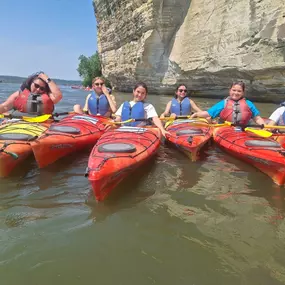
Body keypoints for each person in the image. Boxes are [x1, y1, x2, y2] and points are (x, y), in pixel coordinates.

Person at [191, 81, 265, 125]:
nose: (236, 93)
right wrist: (197, 114)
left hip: (243, 131)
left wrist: (264, 126)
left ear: (243, 93)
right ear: (230, 91)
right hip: (225, 130)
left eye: (239, 91)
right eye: (234, 90)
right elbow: (209, 113)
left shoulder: (249, 104)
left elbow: (257, 118)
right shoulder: (223, 103)